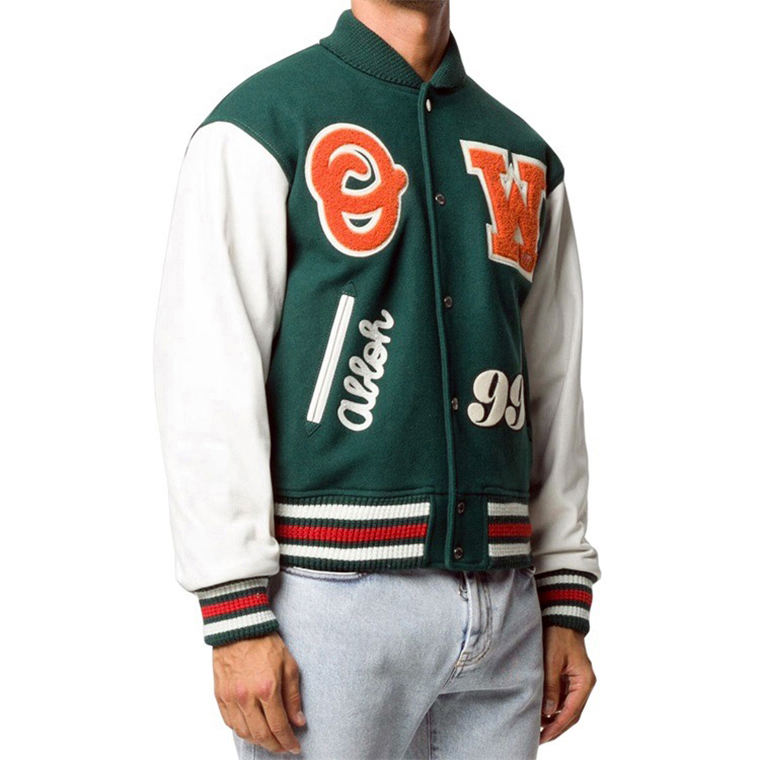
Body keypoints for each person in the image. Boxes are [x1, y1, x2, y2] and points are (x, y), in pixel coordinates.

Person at [153, 1, 601, 757]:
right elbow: (207, 370)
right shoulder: (262, 124)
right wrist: (234, 611)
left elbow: (552, 385)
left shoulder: (525, 154)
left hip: (507, 601)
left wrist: (563, 598)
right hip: (327, 599)